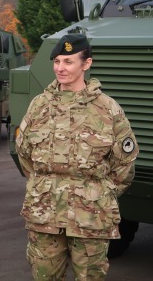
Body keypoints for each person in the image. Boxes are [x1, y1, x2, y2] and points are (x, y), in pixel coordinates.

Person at [15, 33, 138, 280]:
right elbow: (25, 153)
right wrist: (44, 186)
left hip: (91, 215)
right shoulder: (39, 105)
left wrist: (99, 194)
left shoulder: (107, 108)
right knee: (45, 276)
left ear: (86, 64)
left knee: (90, 277)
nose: (60, 68)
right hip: (44, 213)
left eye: (68, 61)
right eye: (57, 61)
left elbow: (124, 164)